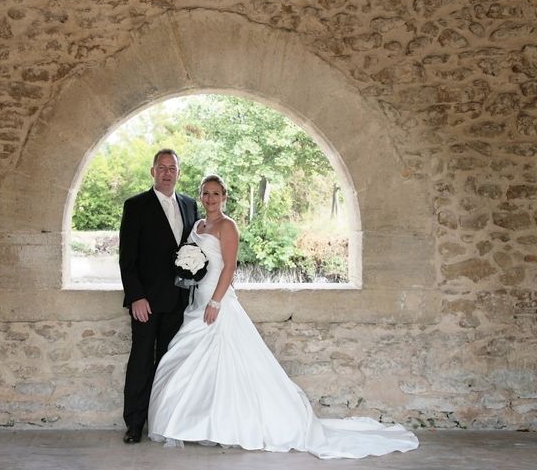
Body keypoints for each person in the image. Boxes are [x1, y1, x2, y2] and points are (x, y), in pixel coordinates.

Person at [148, 175, 419, 459]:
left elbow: (229, 267)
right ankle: (199, 423)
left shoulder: (228, 226)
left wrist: (215, 301)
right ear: (200, 196)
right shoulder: (198, 225)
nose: (211, 199)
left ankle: (228, 424)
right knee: (190, 363)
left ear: (224, 197)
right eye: (206, 193)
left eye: (216, 194)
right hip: (197, 300)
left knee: (226, 362)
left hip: (218, 302)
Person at [119, 149, 200, 444]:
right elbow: (127, 259)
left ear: (179, 172)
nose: (167, 172)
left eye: (172, 168)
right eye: (161, 167)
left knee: (169, 362)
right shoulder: (136, 205)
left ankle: (164, 421)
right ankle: (134, 424)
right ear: (153, 172)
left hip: (179, 301)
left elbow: (196, 250)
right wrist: (136, 296)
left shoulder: (191, 205)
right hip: (147, 303)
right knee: (141, 360)